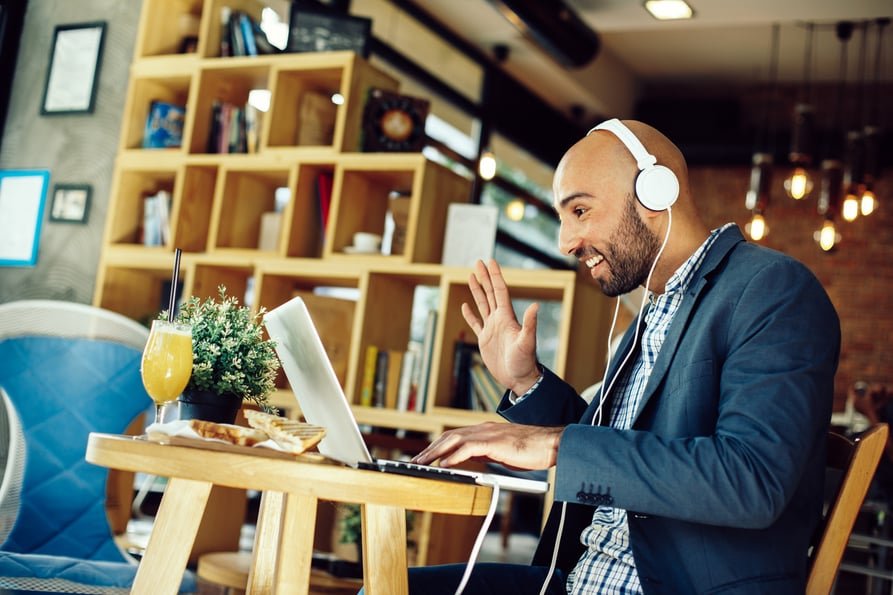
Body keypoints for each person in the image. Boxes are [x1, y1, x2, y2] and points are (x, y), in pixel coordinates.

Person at [405, 119, 841, 594]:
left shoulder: (771, 290)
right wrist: (526, 380)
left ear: (656, 193)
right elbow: (617, 448)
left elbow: (751, 481)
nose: (566, 242)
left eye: (580, 210)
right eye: (562, 217)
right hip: (579, 580)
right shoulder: (652, 312)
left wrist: (553, 445)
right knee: (384, 588)